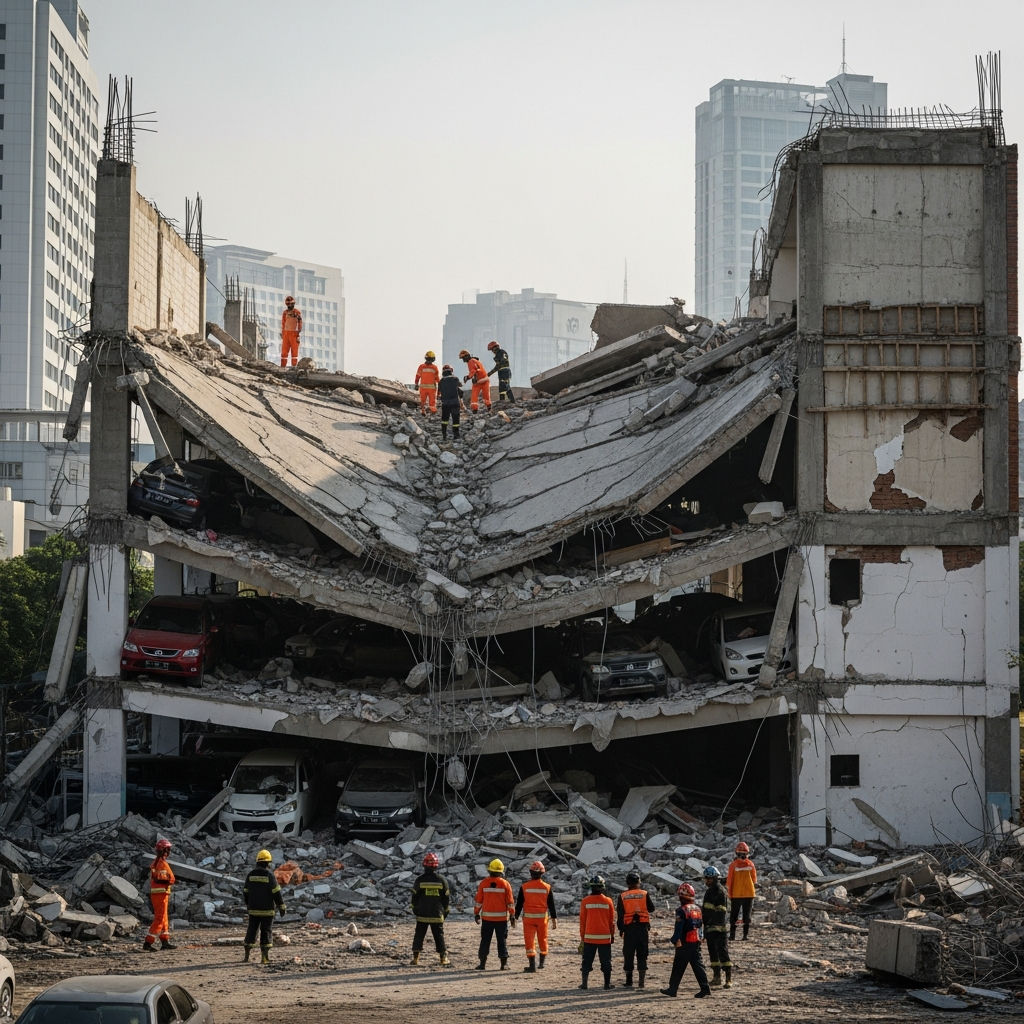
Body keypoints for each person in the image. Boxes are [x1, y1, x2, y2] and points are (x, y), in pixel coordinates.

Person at [660, 882, 711, 999]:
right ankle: (705, 988)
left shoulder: (681, 910)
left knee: (678, 966)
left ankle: (672, 989)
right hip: (696, 941)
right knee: (698, 965)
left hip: (685, 942)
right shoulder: (697, 908)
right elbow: (700, 925)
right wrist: (701, 937)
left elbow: (679, 927)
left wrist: (675, 940)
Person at [513, 860, 557, 973]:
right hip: (543, 920)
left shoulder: (525, 887)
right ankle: (541, 964)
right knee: (543, 939)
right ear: (542, 873)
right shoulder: (547, 887)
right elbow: (551, 904)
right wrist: (554, 919)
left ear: (530, 873)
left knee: (529, 941)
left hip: (528, 920)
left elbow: (519, 904)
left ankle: (532, 966)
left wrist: (515, 917)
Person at [243, 848, 285, 964]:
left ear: (257, 862)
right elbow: (276, 893)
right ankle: (264, 958)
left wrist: (249, 905)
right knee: (266, 931)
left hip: (253, 910)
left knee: (252, 930)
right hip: (267, 911)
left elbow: (245, 892)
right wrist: (281, 906)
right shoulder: (269, 875)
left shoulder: (250, 875)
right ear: (268, 863)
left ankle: (246, 955)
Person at [473, 858, 515, 970]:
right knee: (502, 941)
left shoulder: (484, 883)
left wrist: (476, 913)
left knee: (485, 941)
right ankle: (503, 964)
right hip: (501, 920)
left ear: (489, 870)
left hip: (487, 919)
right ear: (501, 872)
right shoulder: (505, 884)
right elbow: (510, 902)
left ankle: (482, 964)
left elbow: (479, 901)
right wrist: (512, 915)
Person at [411, 851, 451, 966]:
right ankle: (443, 959)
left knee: (419, 935)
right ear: (436, 866)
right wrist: (445, 911)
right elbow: (446, 898)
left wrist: (415, 909)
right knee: (439, 936)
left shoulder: (419, 880)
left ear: (424, 865)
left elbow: (414, 897)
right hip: (437, 915)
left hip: (422, 914)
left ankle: (415, 959)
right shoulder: (442, 880)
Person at [616, 869, 655, 988]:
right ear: (639, 882)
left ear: (627, 883)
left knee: (628, 954)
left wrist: (621, 930)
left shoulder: (622, 896)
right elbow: (651, 908)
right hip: (642, 928)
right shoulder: (644, 893)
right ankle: (641, 982)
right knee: (642, 954)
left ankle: (629, 981)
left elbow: (620, 915)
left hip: (629, 929)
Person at [578, 874, 616, 990]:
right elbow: (611, 921)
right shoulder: (608, 901)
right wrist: (612, 935)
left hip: (589, 938)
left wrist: (582, 938)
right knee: (606, 962)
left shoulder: (585, 901)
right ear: (602, 887)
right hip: (605, 939)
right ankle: (606, 984)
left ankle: (584, 984)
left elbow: (582, 921)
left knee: (586, 961)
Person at [142, 838, 176, 952]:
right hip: (160, 894)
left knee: (164, 918)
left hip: (162, 894)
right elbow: (160, 878)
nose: (169, 851)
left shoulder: (159, 862)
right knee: (159, 918)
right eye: (168, 849)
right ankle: (148, 942)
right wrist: (170, 880)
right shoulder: (160, 863)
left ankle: (165, 941)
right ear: (165, 850)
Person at [702, 865, 732, 988]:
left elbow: (721, 911)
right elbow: (706, 910)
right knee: (713, 954)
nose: (707, 881)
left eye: (709, 878)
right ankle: (716, 977)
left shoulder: (720, 891)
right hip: (710, 928)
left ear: (715, 878)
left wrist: (712, 923)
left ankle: (728, 979)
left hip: (719, 929)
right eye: (706, 878)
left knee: (723, 953)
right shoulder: (709, 891)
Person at [727, 841, 757, 941]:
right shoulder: (751, 864)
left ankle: (732, 936)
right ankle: (745, 936)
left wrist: (729, 893)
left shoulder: (733, 865)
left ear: (736, 853)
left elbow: (729, 881)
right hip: (749, 893)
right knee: (746, 915)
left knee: (734, 915)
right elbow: (754, 879)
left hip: (736, 894)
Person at [438, 364, 464, 442]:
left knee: (444, 420)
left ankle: (444, 436)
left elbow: (439, 392)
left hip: (445, 403)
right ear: (451, 371)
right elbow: (460, 385)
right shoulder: (455, 378)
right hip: (455, 402)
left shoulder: (441, 381)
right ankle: (456, 435)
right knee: (455, 419)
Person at [280, 295, 303, 367]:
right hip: (286, 334)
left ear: (293, 304)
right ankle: (282, 367)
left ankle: (294, 367)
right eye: (288, 304)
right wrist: (283, 333)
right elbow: (283, 323)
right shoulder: (285, 313)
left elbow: (300, 322)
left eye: (291, 304)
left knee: (294, 352)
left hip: (294, 334)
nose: (290, 305)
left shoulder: (297, 312)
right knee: (284, 352)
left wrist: (298, 332)